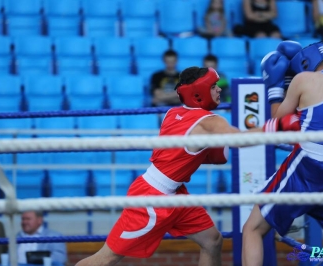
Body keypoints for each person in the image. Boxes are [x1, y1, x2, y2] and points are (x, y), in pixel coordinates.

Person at [75, 66, 301, 266]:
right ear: (198, 91)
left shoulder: (172, 114)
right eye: (214, 86)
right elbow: (240, 140)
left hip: (176, 195)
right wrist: (279, 125)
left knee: (212, 240)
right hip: (151, 199)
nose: (220, 89)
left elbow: (184, 152)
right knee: (107, 257)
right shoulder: (210, 122)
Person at [242, 41, 323, 265]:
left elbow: (279, 121)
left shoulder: (303, 79)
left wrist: (275, 87)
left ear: (304, 63)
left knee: (252, 228)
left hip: (308, 166)